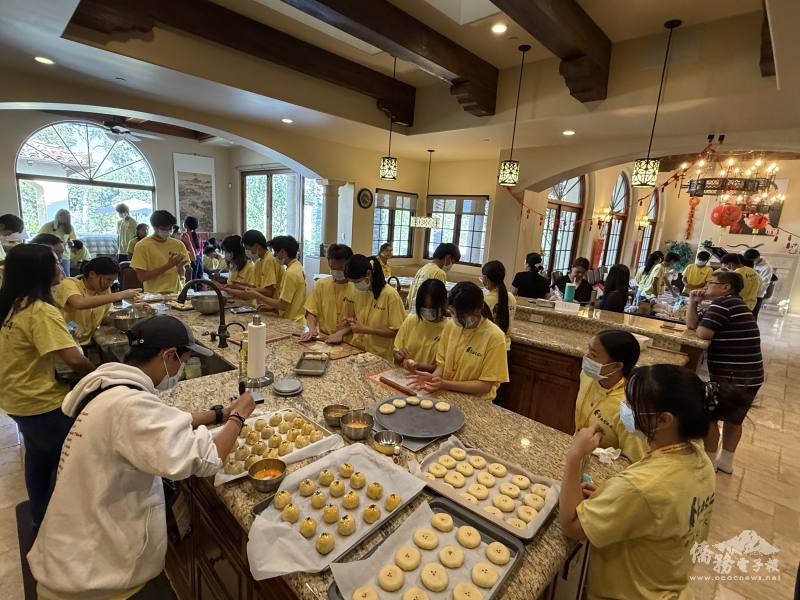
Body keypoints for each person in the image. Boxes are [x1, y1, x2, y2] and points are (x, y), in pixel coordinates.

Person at [27, 315, 256, 600]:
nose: (180, 369)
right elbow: (205, 457)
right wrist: (238, 416)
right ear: (168, 355)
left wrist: (214, 415)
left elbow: (160, 422)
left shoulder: (111, 388)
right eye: (182, 361)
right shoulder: (130, 408)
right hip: (92, 580)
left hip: (70, 554)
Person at [559, 364, 748, 600]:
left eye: (631, 404)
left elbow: (572, 526)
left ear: (663, 420)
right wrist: (616, 502)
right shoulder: (699, 460)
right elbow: (661, 514)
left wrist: (575, 454)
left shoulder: (640, 487)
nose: (625, 409)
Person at [0, 244, 95, 526]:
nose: (60, 266)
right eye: (54, 262)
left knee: (38, 457)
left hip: (16, 397)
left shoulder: (13, 303)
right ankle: (66, 523)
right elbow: (74, 359)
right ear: (39, 271)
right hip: (41, 401)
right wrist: (96, 374)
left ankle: (42, 516)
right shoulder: (39, 311)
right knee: (68, 461)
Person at [686, 271, 763, 474]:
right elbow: (693, 324)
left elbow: (702, 332)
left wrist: (696, 306)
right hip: (751, 374)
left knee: (710, 416)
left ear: (725, 287)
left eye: (710, 283)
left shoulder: (722, 305)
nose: (706, 286)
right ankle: (726, 462)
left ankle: (708, 462)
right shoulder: (735, 304)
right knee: (734, 418)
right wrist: (693, 301)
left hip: (731, 375)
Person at [411, 281, 509, 401]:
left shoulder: (495, 337)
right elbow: (442, 364)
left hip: (476, 402)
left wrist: (445, 384)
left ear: (476, 311)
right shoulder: (451, 326)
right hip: (446, 395)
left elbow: (485, 385)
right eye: (452, 312)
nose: (454, 317)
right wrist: (433, 379)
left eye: (458, 314)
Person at [575, 330, 647, 462]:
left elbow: (635, 460)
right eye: (588, 350)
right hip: (579, 453)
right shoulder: (587, 376)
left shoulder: (628, 410)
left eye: (593, 354)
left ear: (617, 366)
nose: (586, 357)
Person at [327, 254, 404, 359]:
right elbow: (358, 321)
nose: (356, 285)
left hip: (380, 354)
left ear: (368, 274)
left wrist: (365, 329)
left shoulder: (390, 295)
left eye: (357, 282)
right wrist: (349, 324)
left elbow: (396, 331)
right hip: (359, 351)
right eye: (353, 282)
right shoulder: (360, 292)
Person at [54, 257, 141, 346]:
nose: (110, 284)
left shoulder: (104, 290)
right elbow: (79, 303)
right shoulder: (68, 283)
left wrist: (134, 310)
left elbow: (105, 319)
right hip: (63, 343)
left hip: (87, 342)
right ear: (92, 274)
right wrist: (120, 295)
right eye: (108, 279)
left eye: (112, 281)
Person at [243, 236, 307, 323]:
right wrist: (273, 309)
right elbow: (290, 303)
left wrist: (257, 295)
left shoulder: (291, 273)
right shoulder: (297, 266)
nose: (274, 255)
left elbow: (282, 305)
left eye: (275, 252)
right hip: (294, 318)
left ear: (283, 251)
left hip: (293, 321)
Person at [393, 279, 448, 373]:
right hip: (404, 375)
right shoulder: (411, 320)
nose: (427, 311)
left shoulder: (449, 329)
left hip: (428, 380)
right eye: (424, 307)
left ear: (443, 304)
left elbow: (443, 368)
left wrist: (419, 366)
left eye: (431, 308)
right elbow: (396, 350)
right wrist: (399, 356)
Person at [130, 210, 190, 294]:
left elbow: (182, 270)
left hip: (176, 293)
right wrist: (168, 266)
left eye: (171, 227)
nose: (169, 230)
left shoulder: (178, 244)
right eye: (164, 228)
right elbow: (142, 277)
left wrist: (181, 273)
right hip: (153, 296)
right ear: (155, 227)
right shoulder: (142, 246)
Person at [302, 244, 354, 340]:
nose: (337, 271)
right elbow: (311, 311)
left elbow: (360, 320)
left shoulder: (357, 287)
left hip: (350, 341)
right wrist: (312, 329)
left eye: (341, 268)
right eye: (333, 268)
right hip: (324, 337)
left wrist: (340, 334)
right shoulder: (321, 284)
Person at [406, 242, 460, 311]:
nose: (451, 265)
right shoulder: (439, 273)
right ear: (448, 257)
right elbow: (438, 302)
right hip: (425, 315)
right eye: (453, 262)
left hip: (413, 313)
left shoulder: (423, 268)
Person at [481, 260, 516, 351]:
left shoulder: (485, 299)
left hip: (490, 347)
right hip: (506, 346)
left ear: (485, 278)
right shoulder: (511, 297)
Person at [241, 229, 283, 299]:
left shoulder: (269, 260)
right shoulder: (258, 262)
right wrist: (236, 286)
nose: (247, 252)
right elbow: (256, 287)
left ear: (256, 245)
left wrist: (250, 290)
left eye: (247, 248)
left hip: (272, 305)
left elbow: (269, 292)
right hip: (261, 303)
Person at [38, 208, 76, 276]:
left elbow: (71, 239)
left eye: (66, 218)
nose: (63, 219)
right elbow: (40, 239)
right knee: (52, 275)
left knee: (66, 276)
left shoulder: (70, 228)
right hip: (50, 255)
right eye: (61, 217)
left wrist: (71, 242)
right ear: (57, 216)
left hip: (65, 255)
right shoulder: (47, 226)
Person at [743, 248, 773, 319]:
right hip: (747, 294)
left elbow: (764, 284)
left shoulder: (767, 268)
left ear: (758, 257)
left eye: (753, 261)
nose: (751, 263)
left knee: (752, 316)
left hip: (757, 295)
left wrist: (753, 292)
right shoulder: (748, 263)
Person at [181, 216, 203, 281]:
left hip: (191, 260)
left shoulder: (184, 236)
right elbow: (201, 251)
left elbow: (184, 250)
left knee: (191, 281)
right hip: (199, 259)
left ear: (185, 225)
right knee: (198, 281)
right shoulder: (198, 236)